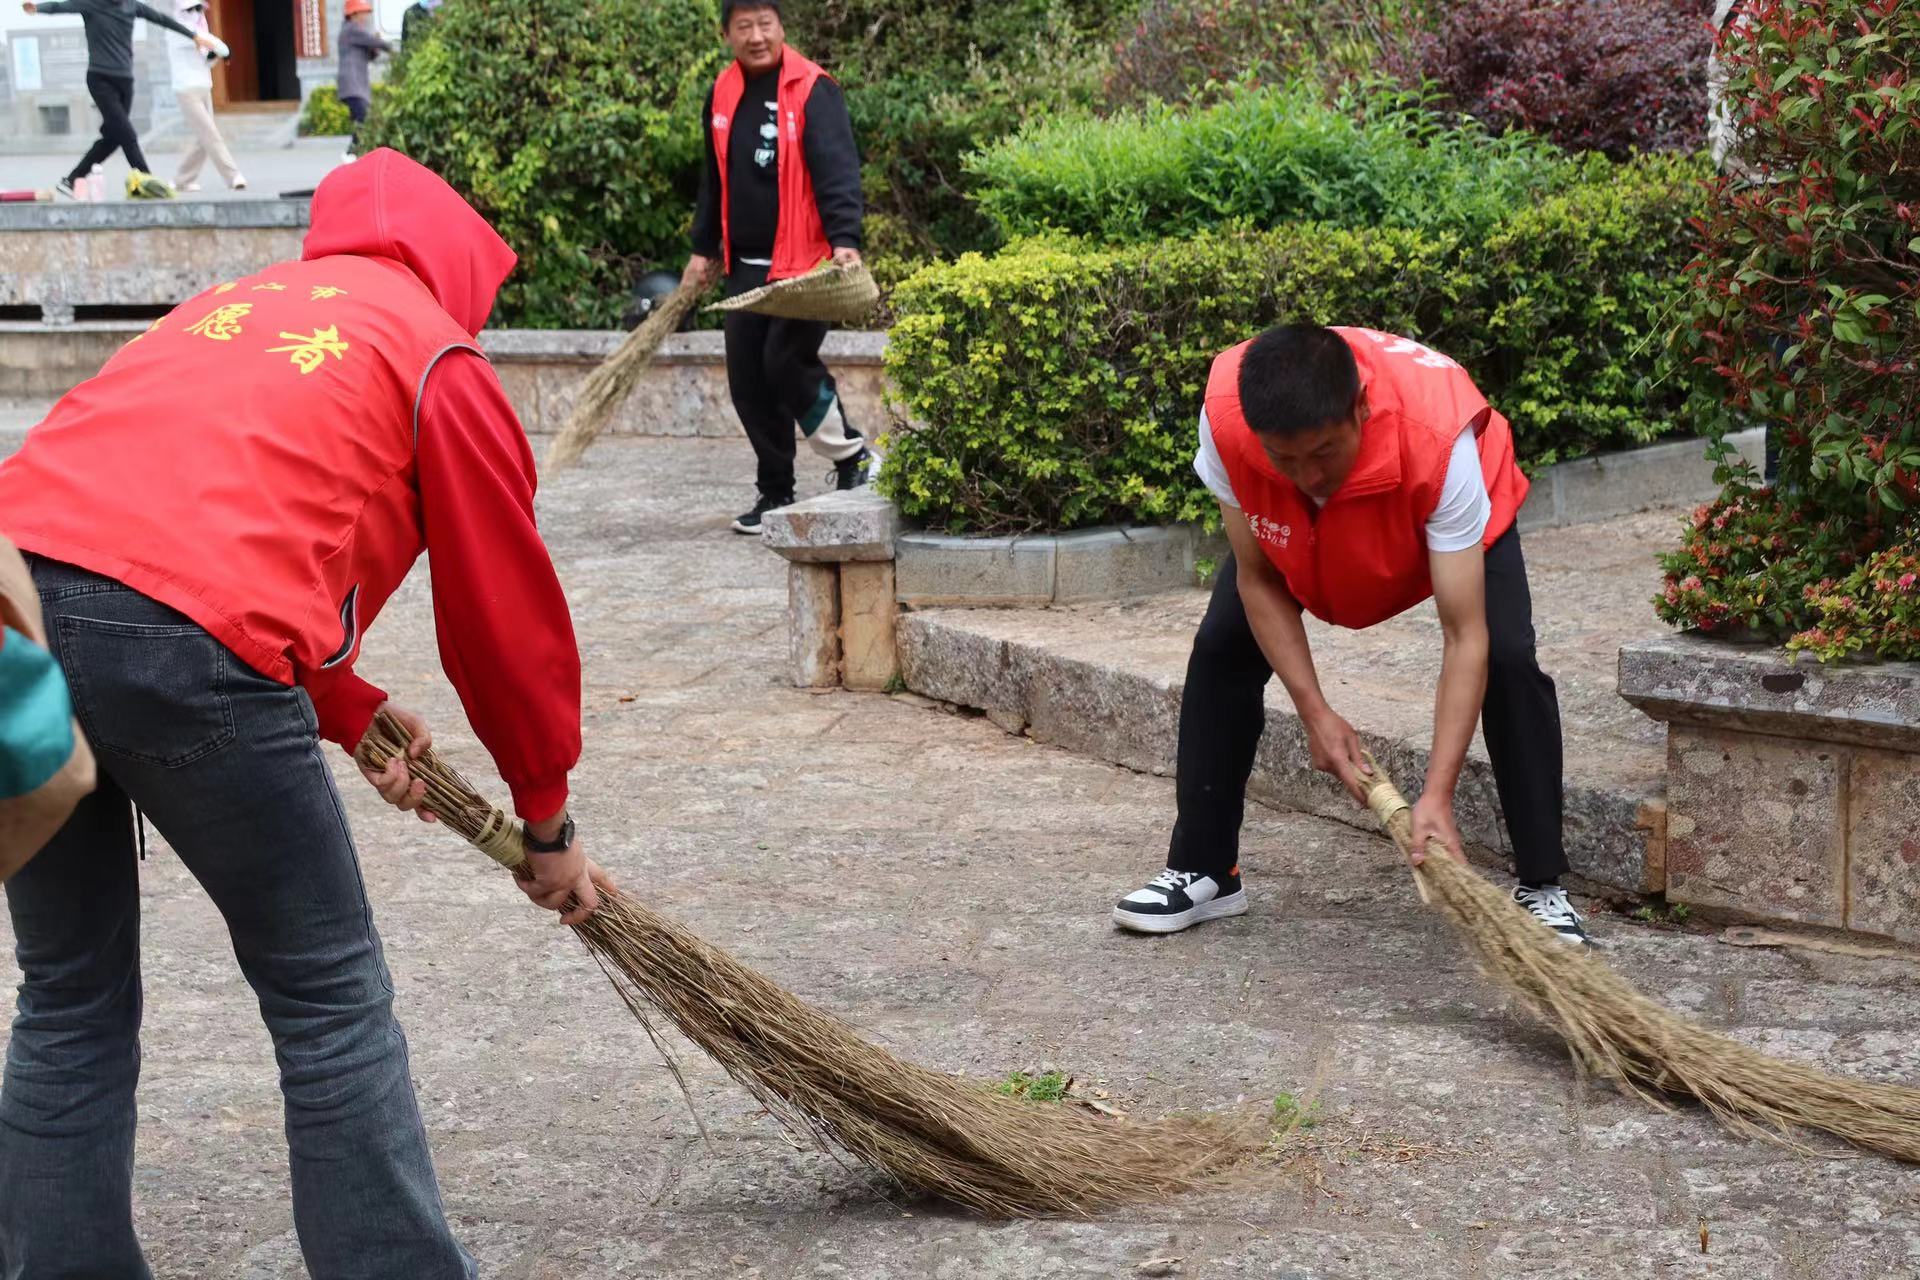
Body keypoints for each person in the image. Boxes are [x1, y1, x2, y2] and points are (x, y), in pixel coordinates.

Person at [0, 148, 612, 1277]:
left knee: (69, 992)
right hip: (178, 644)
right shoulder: (435, 351)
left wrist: (349, 705)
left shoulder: (227, 308)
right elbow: (502, 612)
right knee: (329, 998)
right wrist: (547, 817)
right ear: (461, 262)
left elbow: (184, 522)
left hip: (11, 613)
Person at [1111, 324, 1591, 947]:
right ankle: (1205, 867)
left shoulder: (1440, 441)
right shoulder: (1227, 418)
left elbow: (1463, 634)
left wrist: (1437, 793)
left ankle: (1542, 888)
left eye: (1323, 453)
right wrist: (1315, 712)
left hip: (1427, 515)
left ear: (1360, 408)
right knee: (1222, 646)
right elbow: (1258, 580)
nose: (1308, 475)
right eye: (1285, 459)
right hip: (1300, 534)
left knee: (1506, 656)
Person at [683, 0, 872, 535]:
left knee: (785, 362)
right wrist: (703, 249)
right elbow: (713, 179)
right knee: (748, 378)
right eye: (744, 26)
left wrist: (845, 240)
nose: (757, 35)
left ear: (782, 27)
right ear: (727, 34)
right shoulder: (721, 93)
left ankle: (851, 458)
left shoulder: (814, 88)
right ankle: (775, 491)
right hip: (745, 266)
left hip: (804, 264)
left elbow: (838, 170)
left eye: (766, 23)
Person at [19, 0, 216, 199]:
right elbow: (59, 7)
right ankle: (148, 181)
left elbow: (161, 19)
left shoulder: (132, 6)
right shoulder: (91, 4)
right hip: (100, 79)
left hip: (125, 81)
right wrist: (37, 8)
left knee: (113, 138)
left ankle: (71, 180)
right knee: (127, 134)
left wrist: (194, 36)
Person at [167, 0, 244, 192]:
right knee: (210, 133)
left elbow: (206, 57)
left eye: (198, 8)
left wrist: (215, 55)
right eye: (190, 9)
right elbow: (202, 41)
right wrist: (221, 48)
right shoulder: (175, 30)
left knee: (203, 138)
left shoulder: (200, 29)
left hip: (203, 86)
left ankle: (181, 180)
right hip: (186, 90)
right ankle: (233, 176)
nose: (195, 12)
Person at [336, 0, 392, 163]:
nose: (365, 18)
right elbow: (376, 43)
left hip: (356, 87)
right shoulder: (351, 29)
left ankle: (357, 156)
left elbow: (370, 54)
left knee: (361, 122)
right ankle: (350, 155)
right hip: (352, 86)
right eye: (362, 14)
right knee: (364, 121)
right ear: (352, 15)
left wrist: (375, 48)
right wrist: (393, 48)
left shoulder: (353, 33)